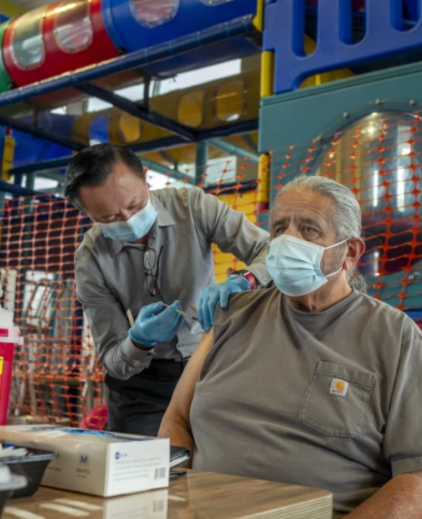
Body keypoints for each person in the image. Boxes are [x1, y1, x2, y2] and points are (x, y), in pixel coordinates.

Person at [159, 175, 422, 518]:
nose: (288, 240)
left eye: (308, 229)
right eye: (279, 228)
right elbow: (177, 419)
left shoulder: (394, 338)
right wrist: (177, 502)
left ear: (349, 252)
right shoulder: (233, 315)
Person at [65, 143, 270, 436]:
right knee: (141, 469)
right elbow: (112, 359)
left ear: (145, 176)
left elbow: (271, 251)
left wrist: (246, 280)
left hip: (211, 366)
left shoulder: (193, 206)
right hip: (142, 389)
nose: (128, 220)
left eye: (134, 205)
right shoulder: (90, 259)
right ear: (86, 213)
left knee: (223, 463)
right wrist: (138, 341)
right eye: (108, 218)